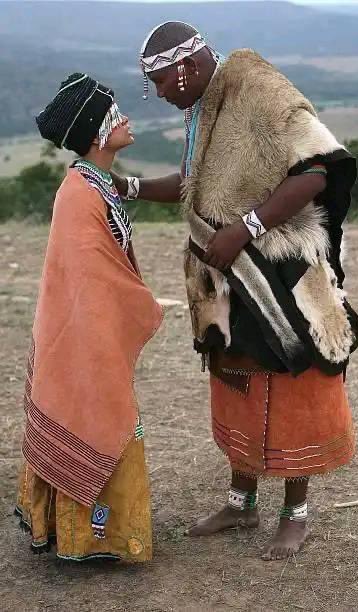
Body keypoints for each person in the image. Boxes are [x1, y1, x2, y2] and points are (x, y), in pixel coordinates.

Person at [112, 22, 358, 561]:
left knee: (294, 379)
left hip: (281, 271)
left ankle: (295, 513)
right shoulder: (203, 106)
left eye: (159, 80)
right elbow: (193, 184)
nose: (157, 93)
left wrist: (244, 229)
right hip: (225, 278)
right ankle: (241, 500)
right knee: (236, 378)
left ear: (186, 67)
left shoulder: (258, 87)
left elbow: (317, 170)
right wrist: (126, 187)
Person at [15, 73, 163, 562]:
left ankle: (93, 531)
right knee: (101, 413)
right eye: (117, 116)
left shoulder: (95, 184)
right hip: (83, 334)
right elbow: (85, 279)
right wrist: (135, 303)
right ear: (97, 134)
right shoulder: (79, 193)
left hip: (94, 331)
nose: (126, 121)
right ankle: (93, 535)